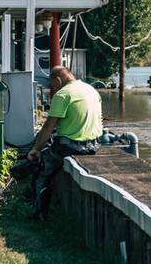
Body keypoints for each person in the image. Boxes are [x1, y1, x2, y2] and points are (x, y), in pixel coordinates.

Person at [26, 65, 103, 220]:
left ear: (58, 80)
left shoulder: (62, 94)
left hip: (71, 146)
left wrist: (35, 149)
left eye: (52, 85)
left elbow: (48, 127)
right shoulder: (91, 90)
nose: (53, 88)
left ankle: (38, 213)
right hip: (94, 145)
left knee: (41, 170)